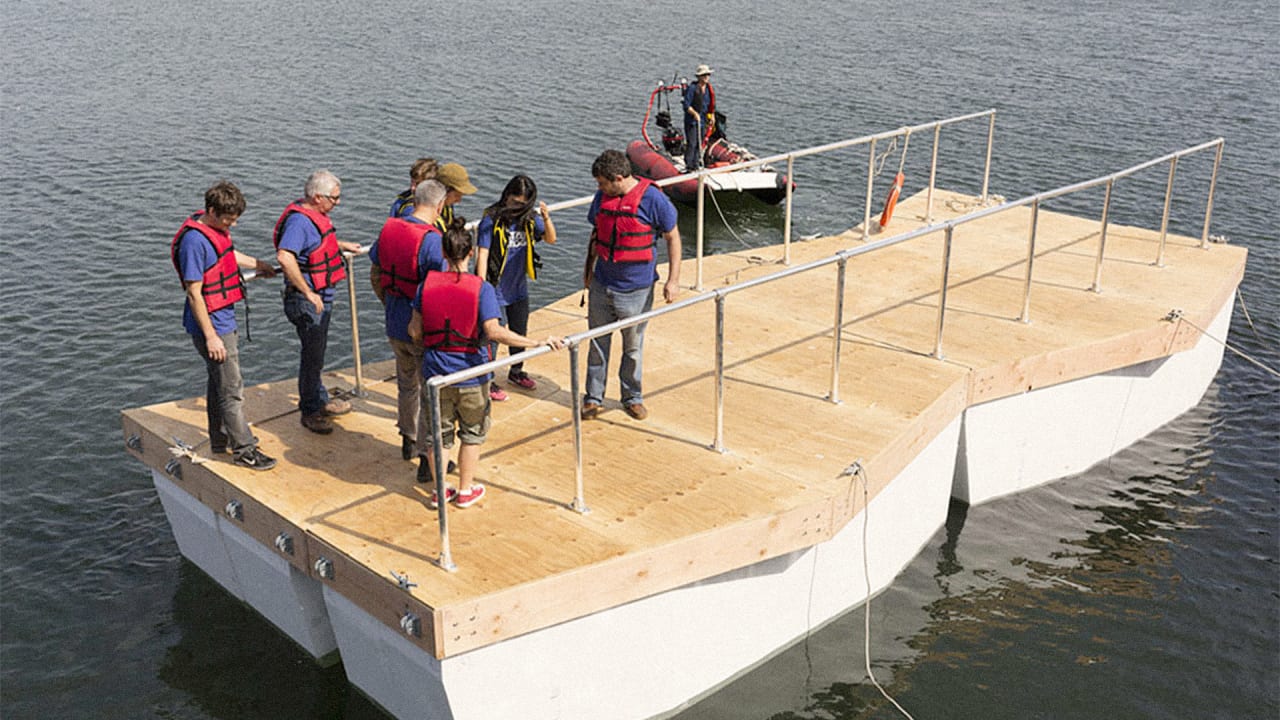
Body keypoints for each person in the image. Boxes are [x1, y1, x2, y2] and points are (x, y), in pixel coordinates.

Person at [408, 219, 565, 508]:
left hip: (436, 374)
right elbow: (494, 331)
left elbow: (415, 331)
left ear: (443, 253)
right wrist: (535, 342)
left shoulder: (424, 287)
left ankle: (440, 490)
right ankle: (465, 490)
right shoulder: (481, 289)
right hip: (472, 374)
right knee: (472, 433)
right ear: (470, 253)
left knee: (438, 436)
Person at [171, 180, 278, 470]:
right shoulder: (194, 243)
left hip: (222, 319)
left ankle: (220, 438)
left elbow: (227, 254)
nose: (233, 224)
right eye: (228, 219)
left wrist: (258, 264)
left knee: (218, 383)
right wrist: (211, 337)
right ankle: (245, 450)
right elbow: (194, 293)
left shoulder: (214, 232)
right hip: (214, 326)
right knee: (231, 389)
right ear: (211, 211)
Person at [582, 149, 682, 421]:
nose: (599, 189)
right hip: (602, 282)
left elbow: (673, 237)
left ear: (618, 178)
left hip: (636, 289)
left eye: (602, 183)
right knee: (597, 343)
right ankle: (593, 397)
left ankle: (632, 397)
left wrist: (673, 280)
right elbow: (596, 233)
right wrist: (588, 270)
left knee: (633, 347)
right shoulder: (603, 197)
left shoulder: (654, 200)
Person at [274, 169, 363, 434]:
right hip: (307, 300)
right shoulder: (298, 223)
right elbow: (285, 256)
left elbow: (316, 244)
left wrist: (341, 244)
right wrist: (308, 292)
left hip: (322, 295)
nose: (338, 202)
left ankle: (319, 398)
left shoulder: (314, 218)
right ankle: (311, 410)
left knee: (318, 353)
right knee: (312, 355)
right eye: (334, 198)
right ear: (317, 198)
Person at [370, 179, 449, 461]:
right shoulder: (433, 241)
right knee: (430, 391)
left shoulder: (389, 229)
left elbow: (376, 271)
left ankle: (407, 437)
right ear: (440, 206)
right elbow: (439, 288)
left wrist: (387, 302)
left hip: (394, 321)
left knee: (406, 384)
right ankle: (428, 457)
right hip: (422, 329)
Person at [476, 174, 558, 398]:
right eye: (514, 201)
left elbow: (551, 239)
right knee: (493, 336)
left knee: (519, 331)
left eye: (522, 204)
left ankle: (516, 371)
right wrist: (481, 289)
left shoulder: (529, 219)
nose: (516, 207)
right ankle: (487, 379)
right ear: (507, 196)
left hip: (518, 289)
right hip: (494, 289)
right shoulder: (491, 219)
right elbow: (482, 255)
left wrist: (546, 218)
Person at [682, 64, 716, 171]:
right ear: (699, 77)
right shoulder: (692, 89)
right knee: (692, 143)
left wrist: (712, 116)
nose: (707, 77)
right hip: (692, 121)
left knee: (699, 143)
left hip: (702, 120)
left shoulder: (708, 89)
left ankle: (696, 164)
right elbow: (686, 105)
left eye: (708, 75)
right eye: (704, 75)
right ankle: (689, 165)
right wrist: (694, 113)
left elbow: (710, 106)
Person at [432, 162, 478, 233]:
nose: (459, 200)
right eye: (456, 195)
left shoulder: (447, 207)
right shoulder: (429, 215)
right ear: (444, 190)